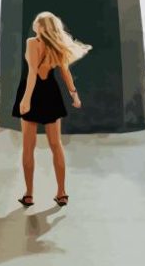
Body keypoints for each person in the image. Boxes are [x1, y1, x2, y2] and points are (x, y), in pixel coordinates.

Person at [11, 11, 92, 207]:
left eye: (37, 22)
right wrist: (74, 95)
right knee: (56, 145)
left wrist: (26, 99)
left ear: (42, 27)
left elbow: (32, 73)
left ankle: (29, 194)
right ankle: (62, 193)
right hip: (51, 93)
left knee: (28, 147)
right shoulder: (56, 46)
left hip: (33, 91)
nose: (34, 24)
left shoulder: (32, 43)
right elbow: (65, 73)